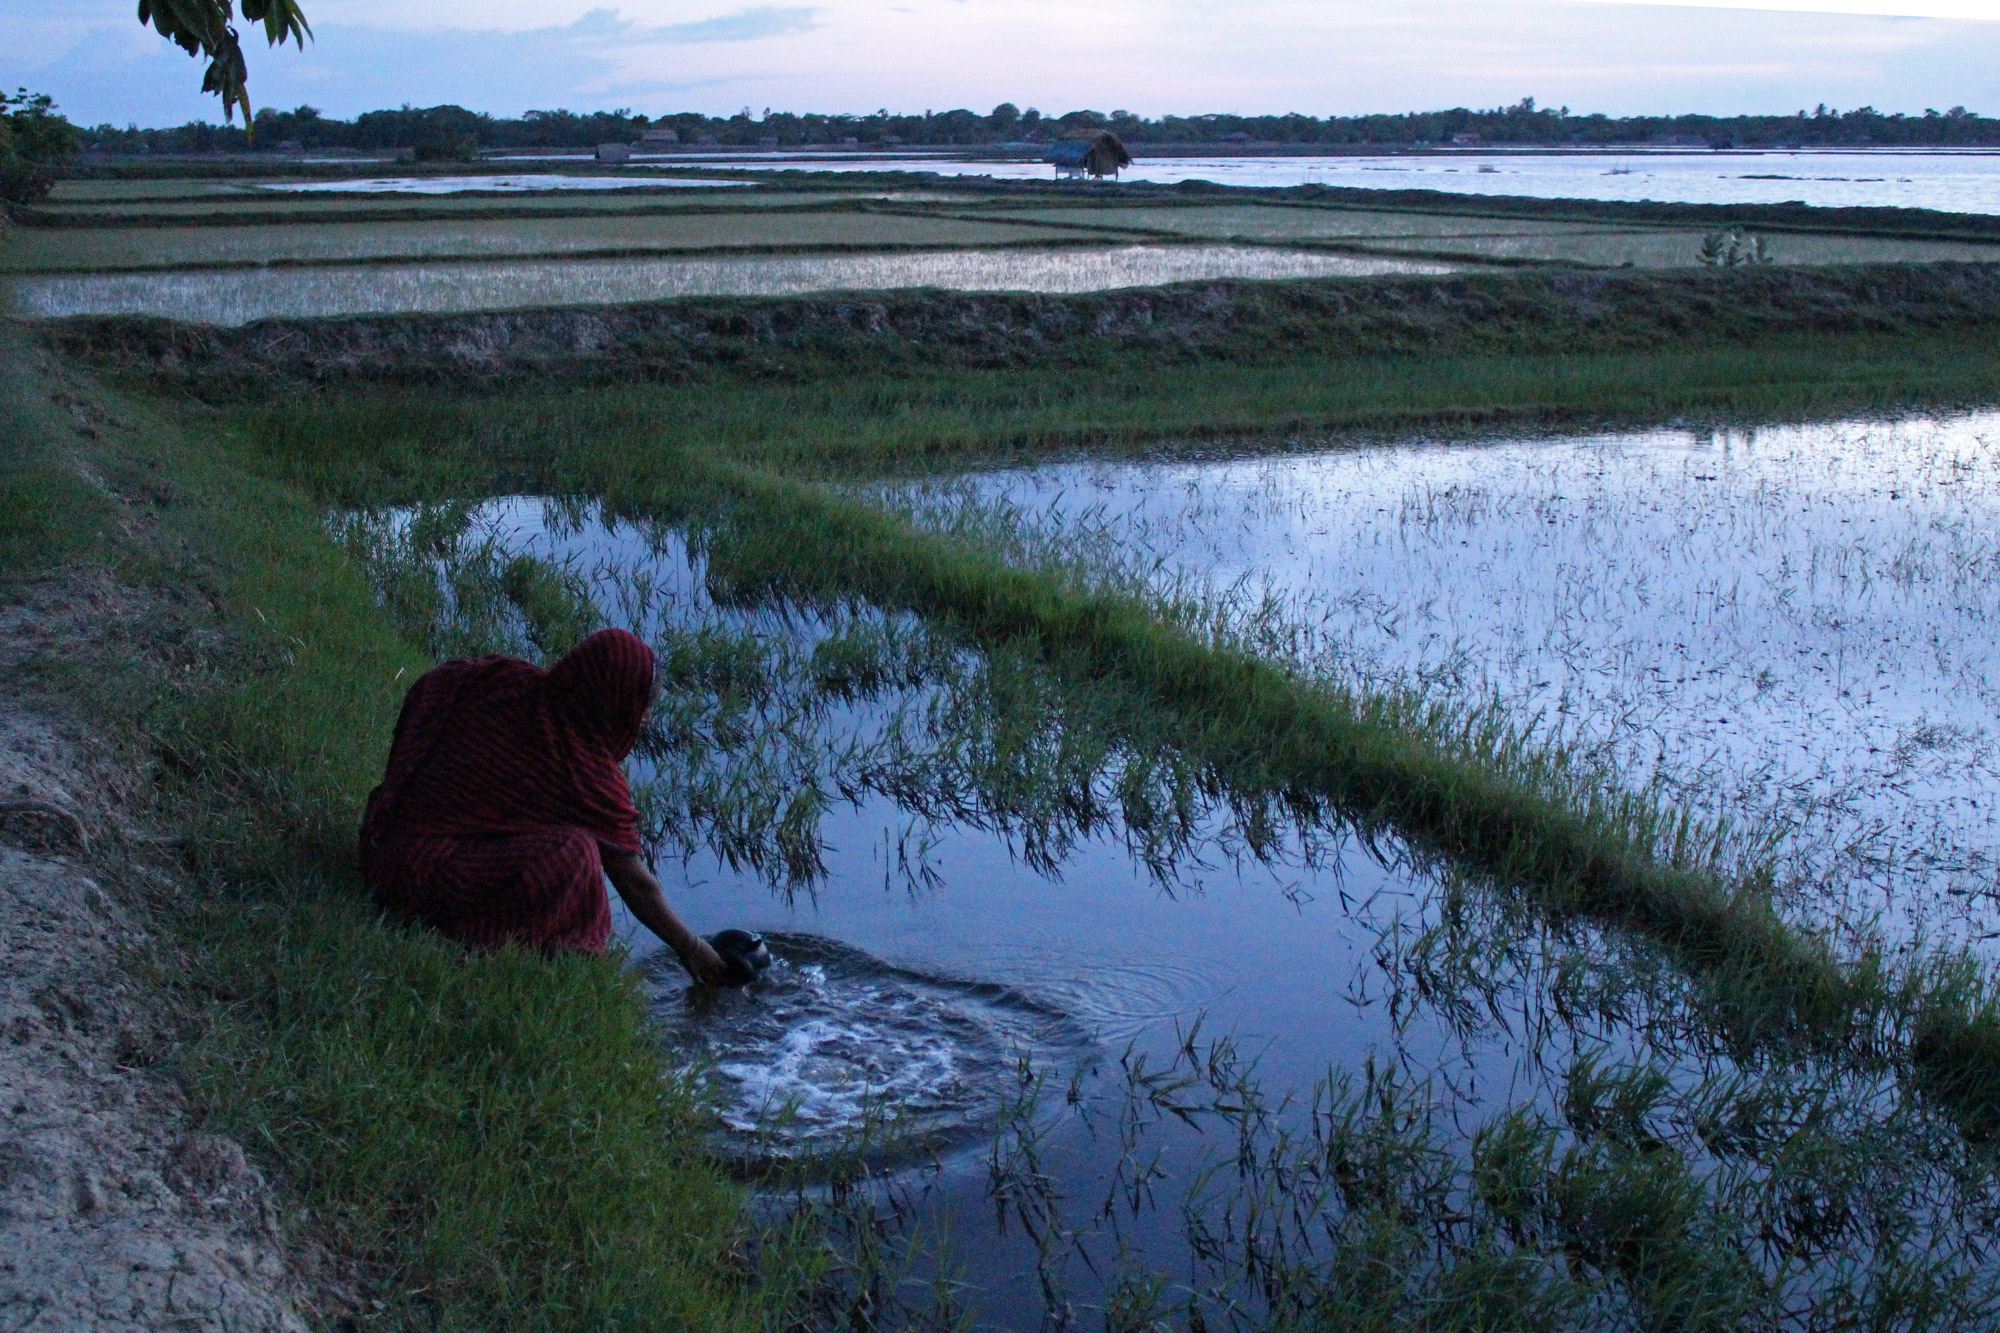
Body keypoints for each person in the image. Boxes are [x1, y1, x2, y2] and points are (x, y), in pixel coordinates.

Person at [359, 627, 728, 984]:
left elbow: (433, 688)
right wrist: (691, 947)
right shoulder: (586, 772)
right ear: (613, 701)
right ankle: (488, 939)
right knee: (577, 855)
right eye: (642, 708)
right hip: (418, 882)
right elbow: (634, 882)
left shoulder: (496, 678)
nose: (644, 719)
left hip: (382, 844)